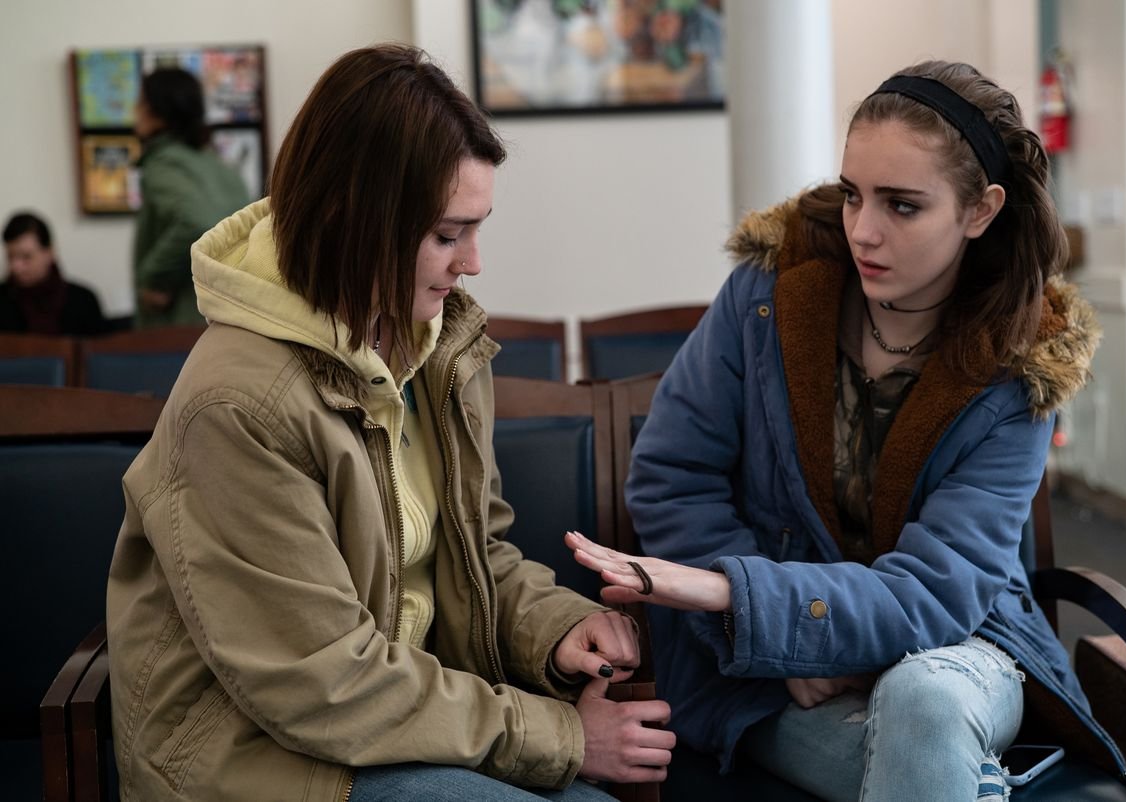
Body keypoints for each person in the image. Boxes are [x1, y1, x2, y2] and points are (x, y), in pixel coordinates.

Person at [107, 44, 673, 802]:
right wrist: (561, 735)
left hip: (396, 722)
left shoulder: (434, 345)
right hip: (266, 759)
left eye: (477, 228)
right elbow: (322, 682)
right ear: (353, 220)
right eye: (446, 234)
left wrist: (556, 629)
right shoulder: (236, 404)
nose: (473, 263)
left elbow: (475, 555)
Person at [566, 60, 1126, 800]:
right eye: (853, 194)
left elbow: (936, 594)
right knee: (924, 752)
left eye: (902, 206)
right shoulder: (766, 297)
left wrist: (761, 610)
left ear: (981, 210)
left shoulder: (1023, 365)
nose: (863, 229)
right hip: (763, 669)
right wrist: (776, 646)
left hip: (955, 650)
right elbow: (674, 478)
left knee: (924, 701)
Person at [132, 66, 250, 328]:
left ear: (156, 112)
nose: (134, 111)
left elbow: (196, 221)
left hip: (181, 327)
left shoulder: (163, 163)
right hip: (230, 320)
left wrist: (155, 279)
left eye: (139, 102)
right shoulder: (218, 165)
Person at [1, 211, 106, 335]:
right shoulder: (3, 300)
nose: (16, 267)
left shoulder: (83, 301)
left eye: (26, 257)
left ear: (49, 253)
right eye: (11, 257)